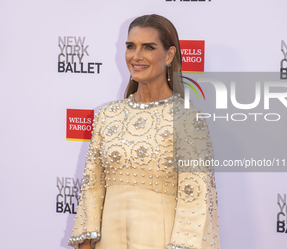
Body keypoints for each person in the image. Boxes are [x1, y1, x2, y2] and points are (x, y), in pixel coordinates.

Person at [68, 14, 220, 249]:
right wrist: (86, 241)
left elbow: (196, 201)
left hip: (160, 240)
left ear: (169, 55)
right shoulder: (108, 115)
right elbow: (92, 186)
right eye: (131, 46)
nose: (136, 56)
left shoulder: (188, 119)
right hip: (108, 241)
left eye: (148, 47)